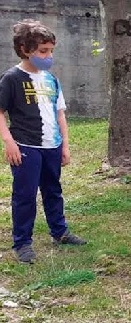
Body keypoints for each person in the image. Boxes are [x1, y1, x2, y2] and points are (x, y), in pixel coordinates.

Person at [0, 20, 87, 264]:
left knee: (53, 190)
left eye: (51, 51)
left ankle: (60, 232)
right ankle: (22, 242)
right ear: (25, 49)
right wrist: (9, 142)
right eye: (43, 51)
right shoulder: (11, 78)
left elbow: (60, 113)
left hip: (52, 146)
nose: (48, 56)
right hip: (26, 146)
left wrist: (65, 145)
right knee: (25, 195)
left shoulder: (51, 79)